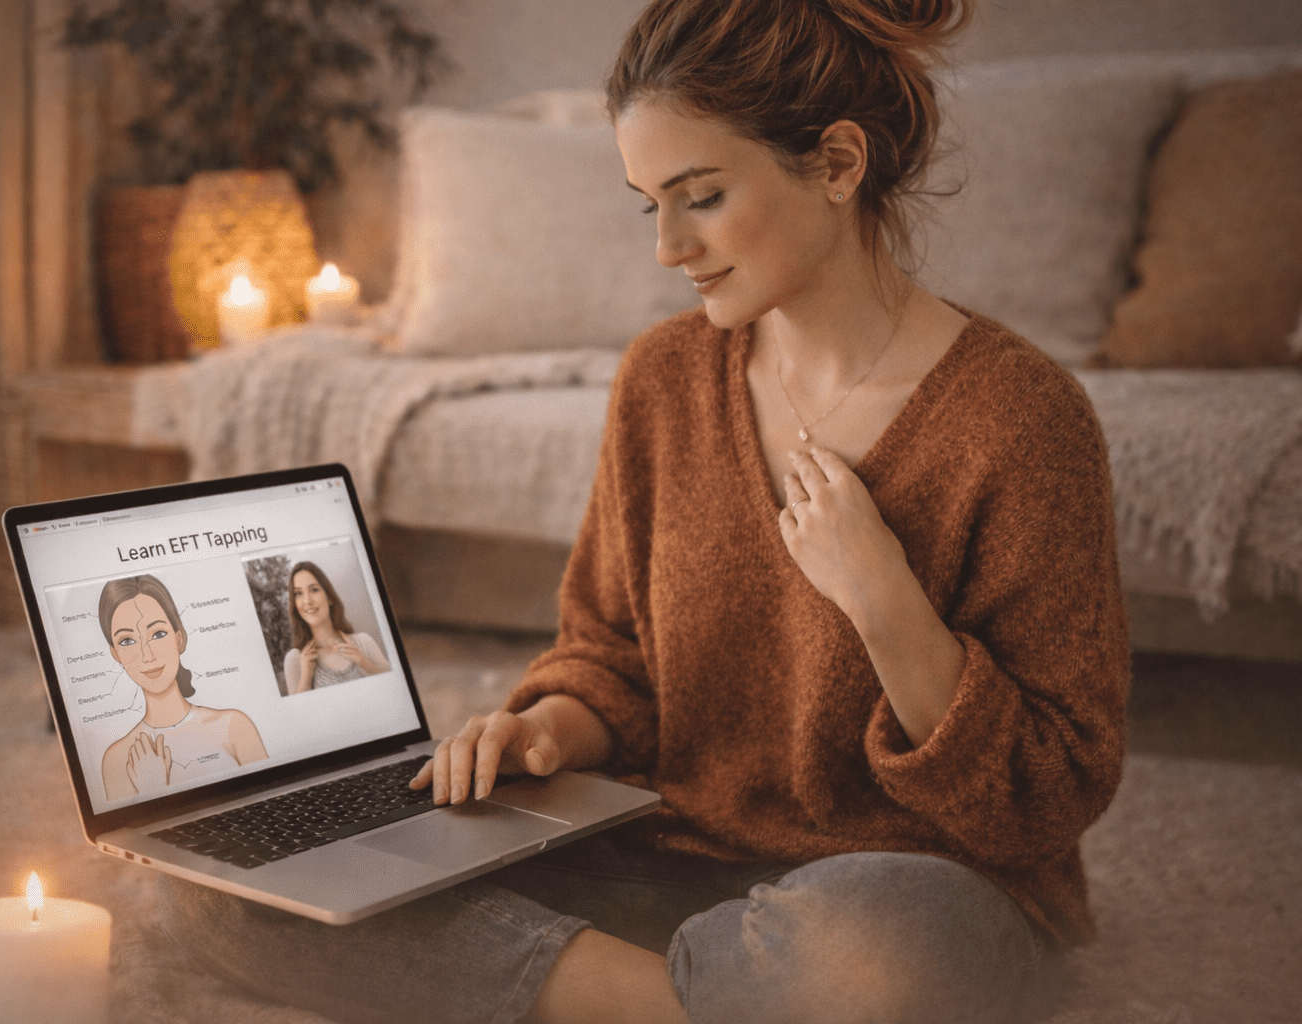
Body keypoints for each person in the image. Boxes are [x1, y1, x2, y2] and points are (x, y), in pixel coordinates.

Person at [158, 2, 1130, 1021]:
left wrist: (884, 600)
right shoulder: (664, 379)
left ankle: (588, 991)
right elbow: (612, 657)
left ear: (839, 164)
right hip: (666, 859)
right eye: (648, 205)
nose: (669, 247)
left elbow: (1050, 793)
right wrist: (544, 732)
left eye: (701, 196)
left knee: (870, 957)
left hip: (916, 886)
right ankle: (673, 1002)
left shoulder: (1021, 419)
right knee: (234, 886)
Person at [98, 574, 268, 802]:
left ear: (180, 639)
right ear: (116, 654)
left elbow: (273, 803)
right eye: (127, 641)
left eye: (158, 634)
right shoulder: (116, 760)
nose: (147, 656)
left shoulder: (235, 726)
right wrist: (154, 788)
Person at [283, 561, 390, 693]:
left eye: (314, 590)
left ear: (330, 598)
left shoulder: (363, 641)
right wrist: (306, 676)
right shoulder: (294, 659)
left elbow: (395, 685)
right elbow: (297, 712)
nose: (307, 601)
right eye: (298, 593)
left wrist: (363, 662)